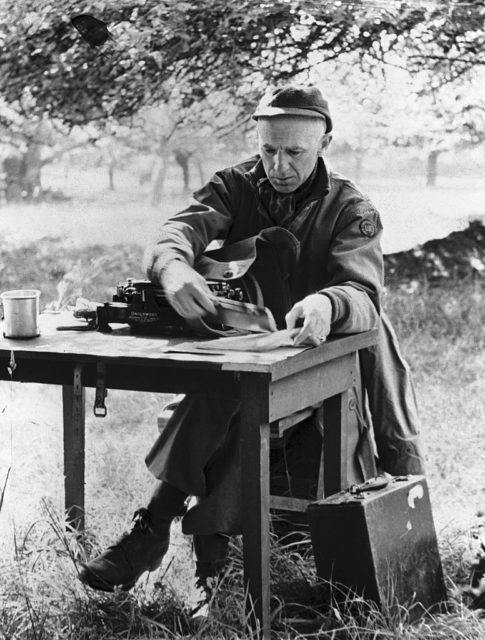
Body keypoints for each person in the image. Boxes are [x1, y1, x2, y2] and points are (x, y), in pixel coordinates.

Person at [79, 84, 424, 595]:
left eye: (294, 152)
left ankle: (156, 533)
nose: (278, 165)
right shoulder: (234, 185)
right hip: (253, 347)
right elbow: (176, 233)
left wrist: (328, 303)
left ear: (325, 143)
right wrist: (174, 271)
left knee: (223, 397)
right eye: (268, 150)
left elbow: (364, 295)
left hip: (323, 352)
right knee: (226, 389)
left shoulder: (353, 209)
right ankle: (196, 565)